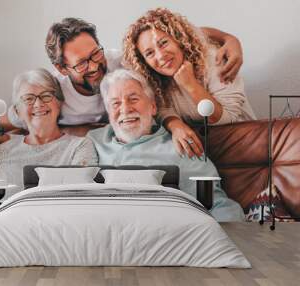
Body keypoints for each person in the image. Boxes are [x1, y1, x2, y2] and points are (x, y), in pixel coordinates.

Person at [0, 17, 244, 171]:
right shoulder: (52, 92)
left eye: (96, 53)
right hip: (94, 154)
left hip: (137, 148)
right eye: (82, 63)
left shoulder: (122, 62)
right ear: (61, 68)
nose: (95, 66)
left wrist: (228, 38)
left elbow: (172, 36)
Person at [87, 68, 245, 221]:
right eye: (115, 104)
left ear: (153, 107)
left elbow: (216, 204)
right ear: (108, 113)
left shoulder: (181, 147)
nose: (125, 109)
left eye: (133, 99)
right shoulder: (92, 142)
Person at [0, 69, 98, 221]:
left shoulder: (79, 146)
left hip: (49, 222)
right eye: (28, 99)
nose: (38, 104)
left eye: (47, 96)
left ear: (59, 103)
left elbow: (81, 196)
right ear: (17, 111)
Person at [123, 8, 256, 157]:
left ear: (178, 39)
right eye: (149, 53)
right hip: (204, 153)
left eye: (163, 43)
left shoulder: (213, 59)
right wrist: (175, 125)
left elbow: (227, 118)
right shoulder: (155, 80)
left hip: (245, 146)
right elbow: (162, 110)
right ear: (144, 61)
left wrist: (190, 84)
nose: (160, 56)